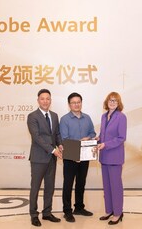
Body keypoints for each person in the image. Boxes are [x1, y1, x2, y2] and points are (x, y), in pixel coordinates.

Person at [27, 89, 63, 227]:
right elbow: (37, 138)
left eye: (48, 99)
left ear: (50, 101)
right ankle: (34, 215)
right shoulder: (33, 116)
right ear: (38, 100)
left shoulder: (54, 116)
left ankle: (47, 213)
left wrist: (60, 145)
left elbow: (57, 134)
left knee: (50, 187)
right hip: (38, 158)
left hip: (52, 159)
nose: (45, 101)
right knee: (35, 187)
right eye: (42, 99)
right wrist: (53, 150)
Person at [60, 92, 96, 222]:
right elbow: (64, 138)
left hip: (85, 156)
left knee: (81, 182)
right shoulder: (64, 119)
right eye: (73, 102)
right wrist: (75, 154)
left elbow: (93, 132)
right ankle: (67, 211)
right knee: (68, 184)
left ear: (81, 103)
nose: (76, 104)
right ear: (69, 104)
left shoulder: (87, 118)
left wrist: (89, 137)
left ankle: (79, 207)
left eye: (78, 102)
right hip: (71, 157)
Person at [97, 92, 127, 225]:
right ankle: (109, 210)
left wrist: (105, 144)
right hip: (104, 157)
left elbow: (121, 138)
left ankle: (118, 213)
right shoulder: (104, 116)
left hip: (114, 157)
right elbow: (103, 134)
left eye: (115, 100)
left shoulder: (121, 117)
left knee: (115, 187)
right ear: (107, 102)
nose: (112, 102)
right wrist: (98, 139)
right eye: (110, 100)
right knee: (107, 186)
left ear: (118, 103)